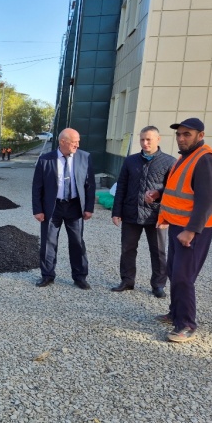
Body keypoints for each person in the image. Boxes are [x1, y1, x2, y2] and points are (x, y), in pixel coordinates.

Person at [145, 118, 212, 343]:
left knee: (183, 276)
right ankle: (175, 312)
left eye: (187, 134)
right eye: (179, 134)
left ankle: (186, 324)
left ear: (200, 135)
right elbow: (178, 185)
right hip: (178, 225)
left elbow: (207, 199)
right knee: (173, 271)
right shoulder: (185, 158)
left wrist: (191, 230)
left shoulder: (206, 159)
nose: (181, 138)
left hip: (193, 228)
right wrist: (159, 193)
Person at [110, 126, 176, 298]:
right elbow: (121, 186)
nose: (145, 143)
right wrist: (116, 211)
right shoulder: (130, 161)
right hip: (131, 213)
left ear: (158, 140)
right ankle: (127, 281)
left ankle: (158, 285)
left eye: (149, 139)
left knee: (159, 251)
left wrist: (159, 195)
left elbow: (173, 189)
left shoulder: (170, 162)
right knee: (127, 249)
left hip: (156, 215)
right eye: (142, 139)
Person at [32, 128, 96, 290]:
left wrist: (89, 207)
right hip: (52, 208)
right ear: (62, 142)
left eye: (78, 141)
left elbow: (90, 185)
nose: (77, 145)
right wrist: (37, 209)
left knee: (77, 242)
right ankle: (47, 275)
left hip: (75, 207)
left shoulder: (85, 157)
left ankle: (80, 276)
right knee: (48, 242)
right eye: (74, 142)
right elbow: (37, 187)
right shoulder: (46, 160)